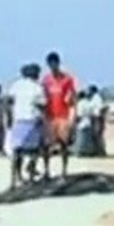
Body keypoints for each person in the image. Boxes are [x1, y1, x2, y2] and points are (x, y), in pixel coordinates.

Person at [7, 63, 47, 188]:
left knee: (17, 151)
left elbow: (9, 101)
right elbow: (43, 104)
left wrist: (10, 116)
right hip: (32, 121)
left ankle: (14, 179)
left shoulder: (16, 85)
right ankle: (30, 178)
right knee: (34, 151)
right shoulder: (37, 87)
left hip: (18, 120)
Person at [40, 51, 77, 179]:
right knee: (46, 145)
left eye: (54, 64)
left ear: (58, 63)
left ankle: (64, 171)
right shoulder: (46, 80)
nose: (53, 67)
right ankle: (46, 171)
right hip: (49, 116)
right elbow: (42, 98)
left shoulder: (67, 79)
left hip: (63, 116)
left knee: (63, 145)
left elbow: (72, 98)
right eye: (50, 65)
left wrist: (72, 117)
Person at [72, 90, 98, 157]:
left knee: (80, 138)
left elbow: (79, 115)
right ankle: (88, 152)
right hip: (88, 122)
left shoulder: (80, 103)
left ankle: (80, 152)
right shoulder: (88, 103)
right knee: (87, 139)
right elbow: (92, 114)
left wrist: (75, 123)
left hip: (82, 123)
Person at [87, 85, 109, 155]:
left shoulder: (97, 98)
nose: (88, 92)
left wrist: (99, 116)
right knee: (96, 135)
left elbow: (100, 107)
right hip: (96, 118)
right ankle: (98, 150)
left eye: (89, 91)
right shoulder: (94, 98)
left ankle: (101, 151)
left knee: (97, 135)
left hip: (97, 118)